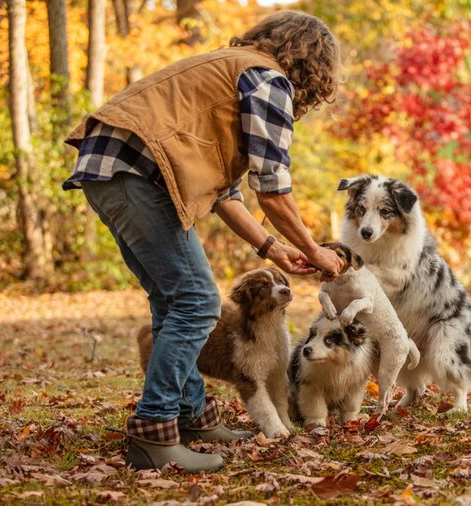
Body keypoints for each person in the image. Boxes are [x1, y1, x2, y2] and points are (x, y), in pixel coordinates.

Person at [62, 11, 344, 472]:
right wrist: (316, 251)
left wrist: (273, 249)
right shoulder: (267, 80)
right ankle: (154, 430)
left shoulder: (230, 68)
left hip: (109, 166)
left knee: (172, 301)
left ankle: (190, 416)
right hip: (136, 172)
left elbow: (224, 193)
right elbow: (271, 189)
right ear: (313, 65)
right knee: (196, 302)